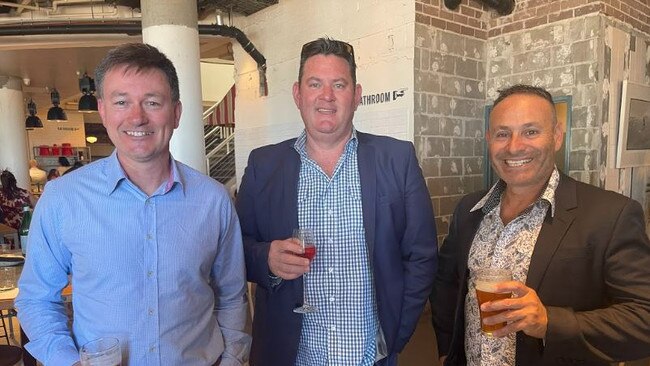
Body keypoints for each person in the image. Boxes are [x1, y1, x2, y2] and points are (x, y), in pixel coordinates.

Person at [16, 43, 250, 366]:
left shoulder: (214, 201)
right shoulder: (62, 200)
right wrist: (67, 361)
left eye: (152, 102)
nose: (137, 117)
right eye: (122, 102)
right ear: (103, 110)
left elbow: (233, 298)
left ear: (177, 113)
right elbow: (37, 299)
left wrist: (233, 361)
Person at [236, 37, 438, 366]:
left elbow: (422, 256)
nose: (326, 96)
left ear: (356, 95)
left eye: (339, 84)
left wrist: (395, 332)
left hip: (368, 355)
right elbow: (236, 247)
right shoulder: (264, 165)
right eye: (315, 83)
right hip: (290, 355)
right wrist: (266, 259)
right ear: (298, 94)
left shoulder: (397, 159)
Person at [431, 84, 650, 366]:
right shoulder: (469, 210)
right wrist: (447, 352)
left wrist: (549, 322)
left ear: (557, 137)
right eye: (502, 134)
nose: (514, 146)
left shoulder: (611, 214)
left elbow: (644, 318)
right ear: (489, 140)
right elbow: (447, 285)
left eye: (531, 131)